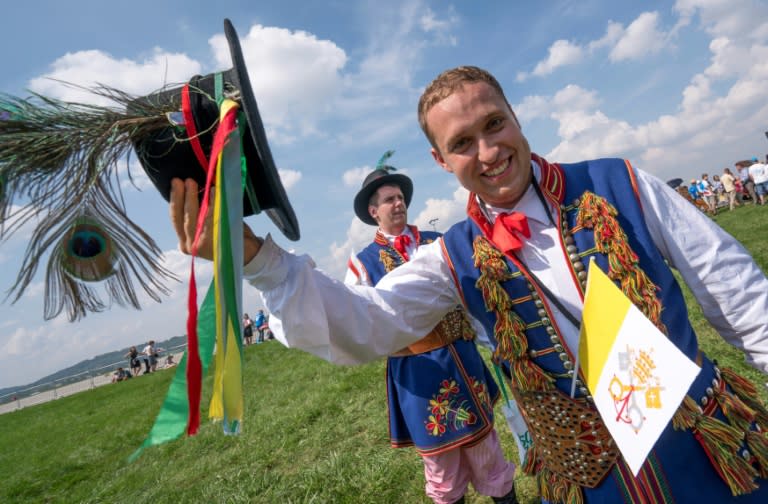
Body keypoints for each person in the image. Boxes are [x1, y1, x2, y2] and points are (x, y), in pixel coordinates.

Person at [170, 66, 768, 503]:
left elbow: (734, 289)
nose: (488, 151)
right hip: (593, 481)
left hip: (705, 449)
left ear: (515, 116)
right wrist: (257, 260)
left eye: (494, 124)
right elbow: (364, 323)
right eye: (461, 144)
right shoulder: (448, 255)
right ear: (441, 160)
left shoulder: (620, 182)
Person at [344, 152, 516, 504]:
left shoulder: (438, 242)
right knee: (441, 467)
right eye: (389, 200)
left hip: (462, 359)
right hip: (418, 375)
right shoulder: (362, 264)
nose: (398, 203)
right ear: (373, 212)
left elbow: (470, 291)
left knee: (488, 451)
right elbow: (359, 322)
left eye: (400, 197)